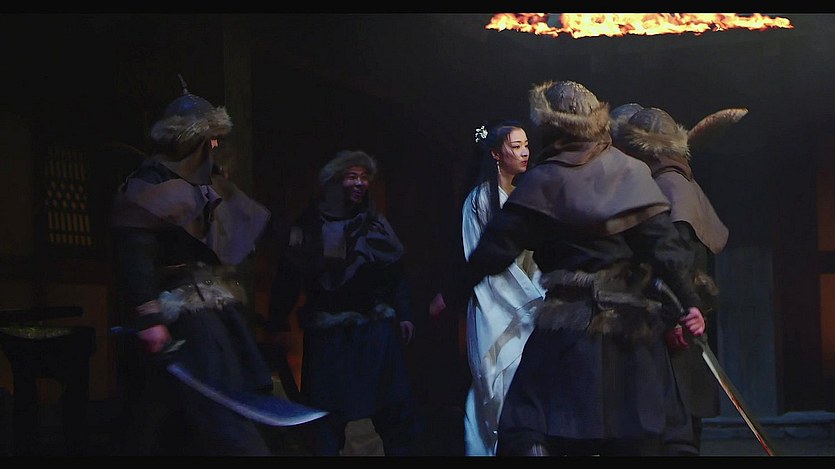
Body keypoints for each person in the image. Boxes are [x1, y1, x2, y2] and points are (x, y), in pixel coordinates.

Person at [430, 80, 706, 456]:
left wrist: (451, 293)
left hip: (568, 334)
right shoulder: (629, 172)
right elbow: (664, 247)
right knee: (643, 429)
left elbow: (493, 250)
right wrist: (689, 302)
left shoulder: (544, 180)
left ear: (551, 126)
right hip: (628, 334)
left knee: (531, 424)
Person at [110, 80, 274, 455]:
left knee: (183, 419)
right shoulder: (152, 180)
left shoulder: (207, 183)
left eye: (215, 139)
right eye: (207, 139)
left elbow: (227, 241)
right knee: (213, 412)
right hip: (181, 311)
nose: (214, 146)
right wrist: (149, 316)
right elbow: (135, 250)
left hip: (211, 306)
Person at [267, 150, 422, 456]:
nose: (360, 183)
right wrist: (277, 321)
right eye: (352, 176)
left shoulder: (375, 225)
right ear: (335, 181)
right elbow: (288, 277)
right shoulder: (308, 226)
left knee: (393, 410)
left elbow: (395, 273)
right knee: (327, 415)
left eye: (364, 177)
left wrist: (405, 313)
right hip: (330, 337)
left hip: (374, 332)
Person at [616, 105, 744, 455]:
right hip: (675, 311)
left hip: (675, 315)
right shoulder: (673, 180)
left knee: (677, 419)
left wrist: (677, 315)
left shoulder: (669, 185)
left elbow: (679, 258)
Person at [461, 121, 545, 456]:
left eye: (526, 145)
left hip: (531, 304)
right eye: (516, 146)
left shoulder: (527, 194)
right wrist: (530, 298)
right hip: (497, 304)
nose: (525, 152)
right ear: (496, 154)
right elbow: (480, 259)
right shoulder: (481, 200)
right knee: (495, 388)